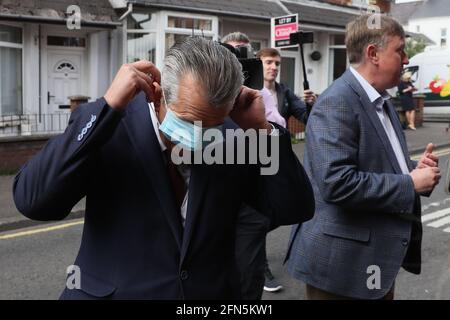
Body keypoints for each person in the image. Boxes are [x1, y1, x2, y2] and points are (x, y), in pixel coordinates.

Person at [13, 37, 315, 300]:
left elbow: (293, 209)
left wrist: (264, 133)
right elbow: (34, 201)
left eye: (210, 126)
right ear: (157, 93)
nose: (198, 137)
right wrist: (107, 108)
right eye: (187, 121)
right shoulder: (108, 126)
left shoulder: (234, 135)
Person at [286, 15, 441, 300]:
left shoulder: (382, 100)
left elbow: (378, 162)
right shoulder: (336, 102)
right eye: (400, 50)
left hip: (374, 262)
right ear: (373, 54)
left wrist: (413, 169)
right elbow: (337, 182)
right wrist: (410, 183)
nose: (406, 59)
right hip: (342, 269)